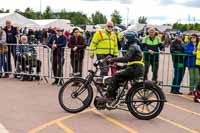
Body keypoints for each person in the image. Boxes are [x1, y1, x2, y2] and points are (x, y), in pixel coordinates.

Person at [102, 31, 144, 100]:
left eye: (125, 38)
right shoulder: (134, 46)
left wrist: (112, 59)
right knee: (119, 76)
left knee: (115, 76)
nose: (124, 40)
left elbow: (126, 58)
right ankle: (117, 94)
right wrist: (121, 66)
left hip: (135, 69)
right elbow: (133, 61)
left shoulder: (133, 47)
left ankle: (110, 96)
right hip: (136, 68)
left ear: (129, 39)